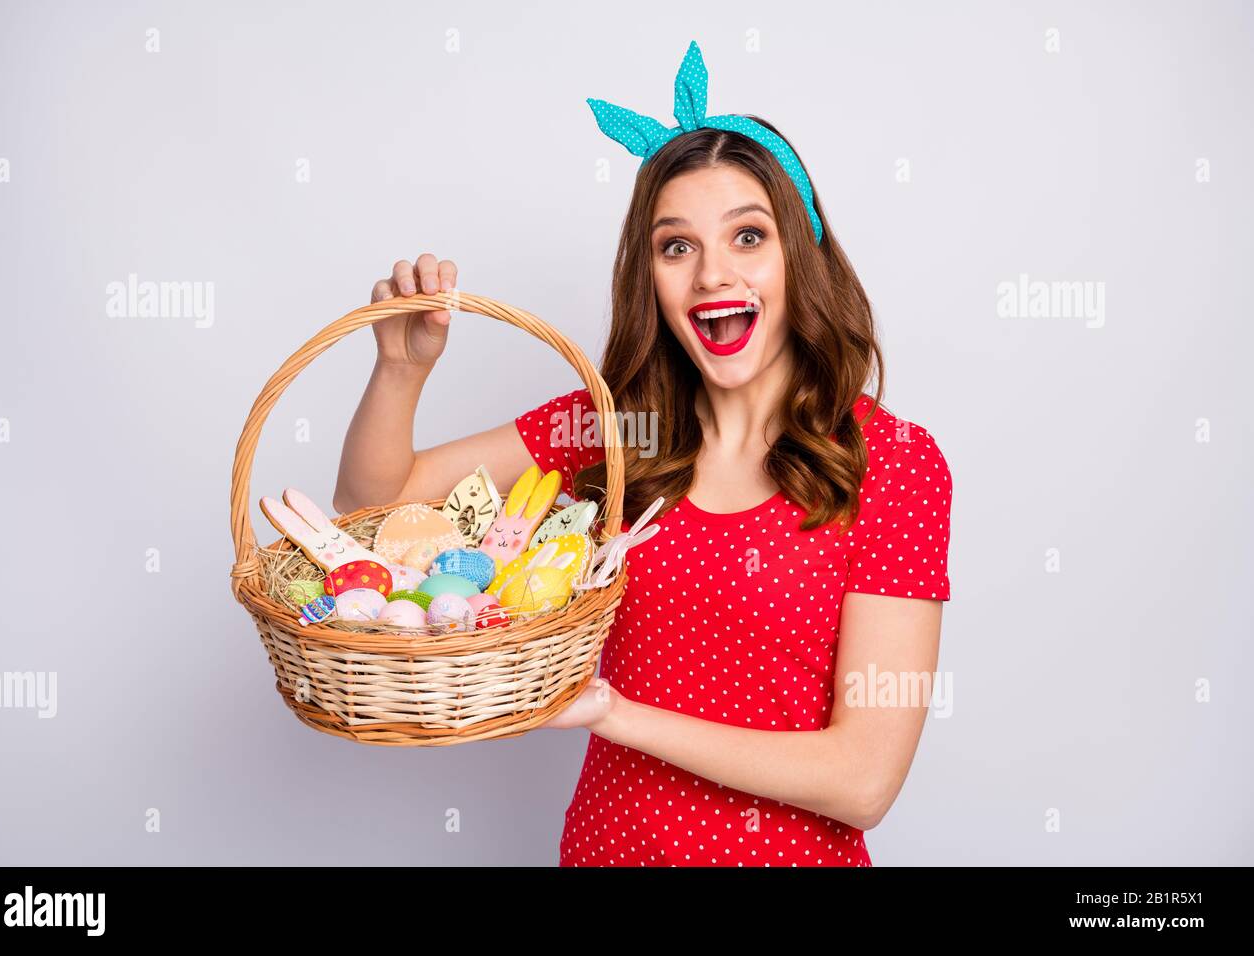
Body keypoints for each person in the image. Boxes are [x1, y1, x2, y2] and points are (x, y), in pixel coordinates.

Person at [333, 49, 952, 867]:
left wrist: (615, 714)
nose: (712, 274)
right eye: (676, 247)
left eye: (748, 236)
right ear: (649, 277)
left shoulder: (894, 463)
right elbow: (373, 503)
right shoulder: (620, 434)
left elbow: (865, 777)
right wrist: (400, 370)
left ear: (800, 254)